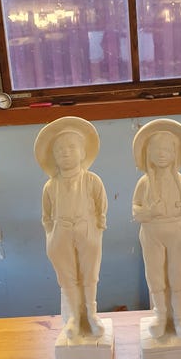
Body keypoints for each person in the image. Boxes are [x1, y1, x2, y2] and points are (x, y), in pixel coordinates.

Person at [34, 117, 108, 340]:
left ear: (83, 152)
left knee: (89, 274)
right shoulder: (50, 186)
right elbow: (46, 215)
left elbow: (101, 206)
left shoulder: (92, 181)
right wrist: (53, 235)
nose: (65, 153)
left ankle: (91, 315)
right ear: (54, 157)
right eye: (59, 150)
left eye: (71, 147)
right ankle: (74, 317)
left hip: (87, 230)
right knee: (67, 276)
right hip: (61, 232)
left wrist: (95, 229)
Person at [132, 118, 181, 340]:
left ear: (175, 153)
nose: (162, 154)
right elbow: (135, 210)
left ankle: (180, 318)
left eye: (167, 150)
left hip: (177, 233)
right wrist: (149, 212)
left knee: (177, 276)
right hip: (152, 234)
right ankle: (160, 315)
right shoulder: (144, 183)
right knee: (155, 275)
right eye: (156, 150)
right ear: (148, 154)